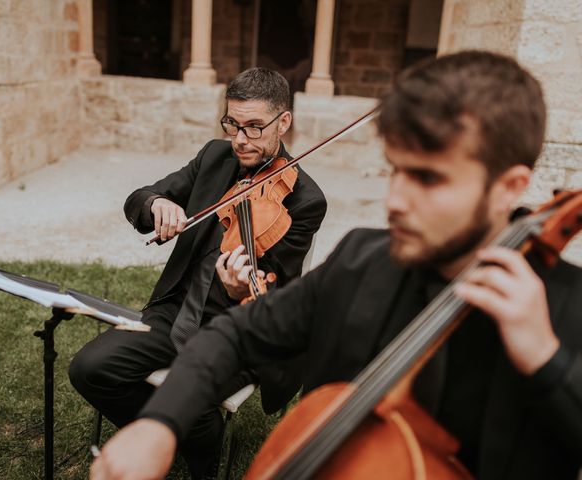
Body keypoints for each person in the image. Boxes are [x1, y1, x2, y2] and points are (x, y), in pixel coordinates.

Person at [90, 51, 582, 480]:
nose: (395, 201)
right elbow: (236, 334)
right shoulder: (362, 258)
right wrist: (162, 422)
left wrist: (547, 363)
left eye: (429, 179)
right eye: (395, 170)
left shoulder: (566, 309)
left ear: (510, 187)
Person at [69, 67, 327, 479]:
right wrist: (157, 204)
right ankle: (193, 434)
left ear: (284, 122)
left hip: (239, 331)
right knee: (89, 368)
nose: (240, 139)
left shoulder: (305, 200)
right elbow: (138, 198)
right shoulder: (214, 156)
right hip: (176, 312)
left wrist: (241, 288)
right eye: (233, 124)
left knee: (196, 383)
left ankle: (198, 453)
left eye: (255, 127)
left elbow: (278, 295)